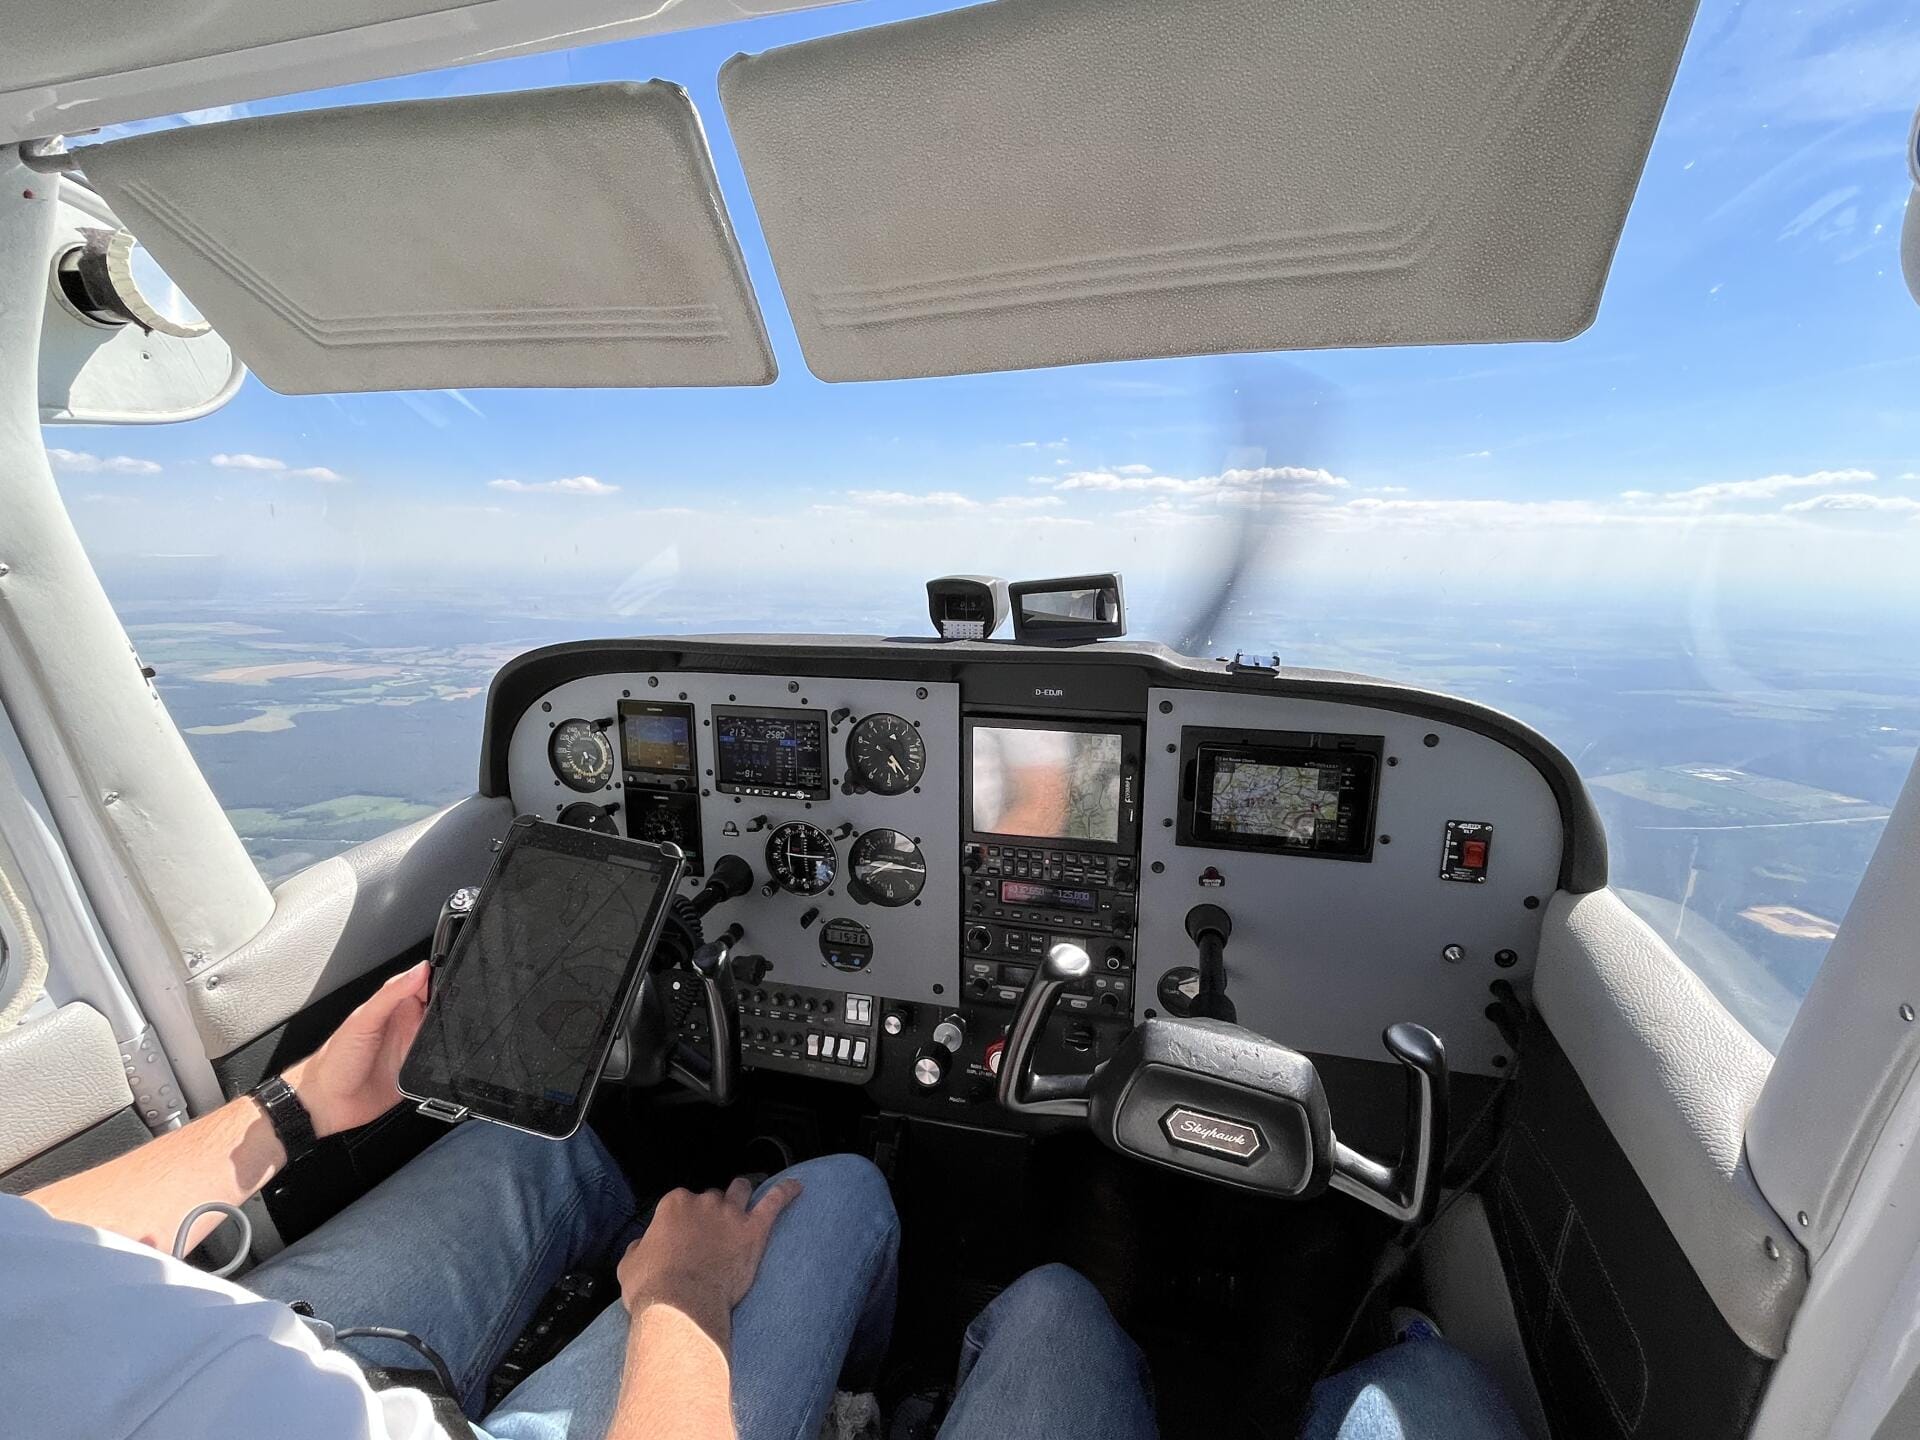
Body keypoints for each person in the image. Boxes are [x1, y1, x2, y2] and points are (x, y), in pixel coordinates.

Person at [5, 962, 899, 1440]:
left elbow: (32, 1251)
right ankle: (847, 1405)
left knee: (534, 1137)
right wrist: (681, 1296)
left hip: (229, 1354)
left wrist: (301, 1104)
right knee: (828, 1196)